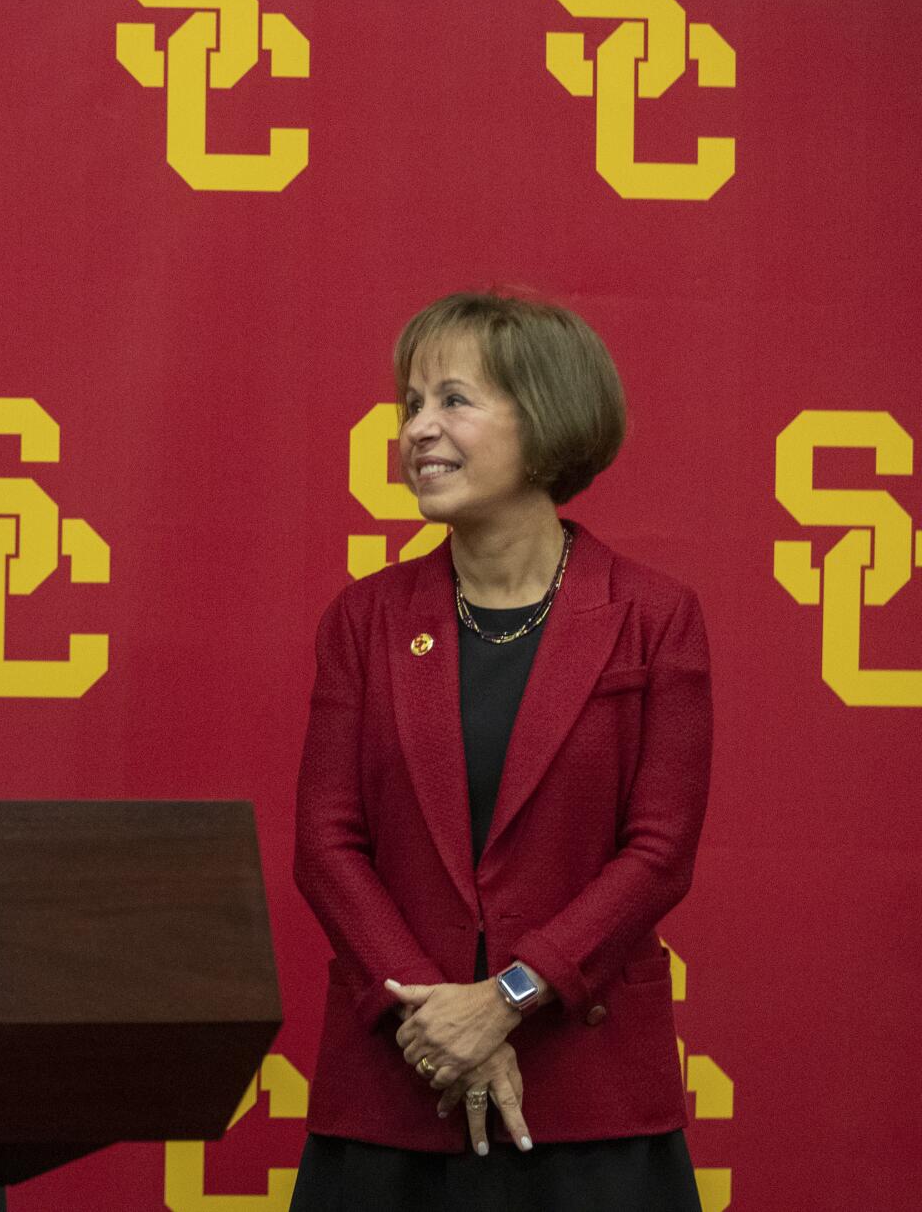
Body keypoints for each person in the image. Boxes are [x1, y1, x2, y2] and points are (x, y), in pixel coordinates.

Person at [289, 292, 711, 1210]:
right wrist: (437, 1019)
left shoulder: (653, 616)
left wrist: (507, 997)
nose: (417, 430)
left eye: (453, 400)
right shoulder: (364, 620)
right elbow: (326, 845)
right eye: (411, 404)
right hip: (397, 1090)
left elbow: (659, 852)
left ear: (548, 421)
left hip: (590, 1096)